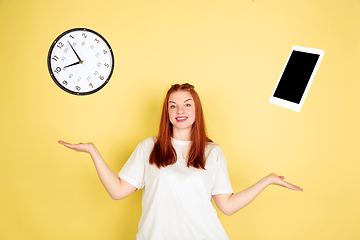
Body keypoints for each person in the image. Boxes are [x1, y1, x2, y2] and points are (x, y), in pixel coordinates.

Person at [59, 83, 303, 240]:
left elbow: (226, 206)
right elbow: (118, 191)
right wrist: (93, 151)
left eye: (187, 104)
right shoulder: (150, 148)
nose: (180, 110)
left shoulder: (212, 152)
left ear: (197, 111)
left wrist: (267, 180)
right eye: (173, 106)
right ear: (167, 113)